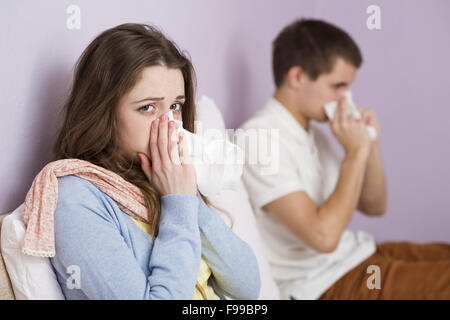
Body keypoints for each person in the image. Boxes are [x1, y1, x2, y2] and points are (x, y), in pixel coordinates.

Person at [40, 23, 260, 300]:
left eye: (176, 106)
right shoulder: (77, 199)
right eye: (148, 107)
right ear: (103, 113)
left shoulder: (164, 179)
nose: (169, 124)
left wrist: (187, 196)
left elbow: (248, 287)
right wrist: (179, 203)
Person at [240, 18, 450, 299]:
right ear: (298, 77)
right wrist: (355, 152)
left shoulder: (315, 133)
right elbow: (323, 238)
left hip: (358, 255)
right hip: (325, 282)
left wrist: (369, 143)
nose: (344, 99)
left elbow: (375, 205)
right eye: (337, 86)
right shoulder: (259, 139)